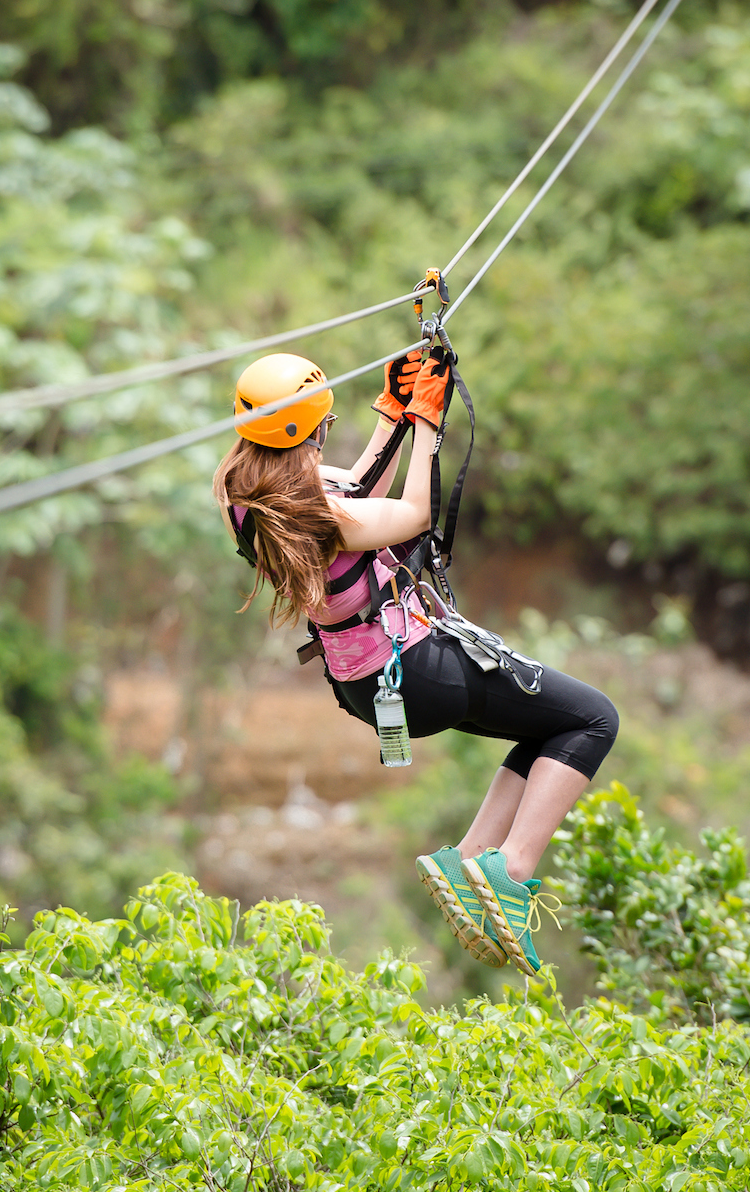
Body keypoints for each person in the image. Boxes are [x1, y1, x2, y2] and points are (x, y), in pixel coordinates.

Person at [212, 349, 619, 975]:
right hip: (414, 669)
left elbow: (353, 498)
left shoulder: (250, 494)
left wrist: (394, 412)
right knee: (593, 719)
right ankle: (511, 869)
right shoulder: (315, 508)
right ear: (312, 429)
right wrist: (428, 423)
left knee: (547, 729)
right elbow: (408, 515)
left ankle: (471, 858)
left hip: (362, 679)